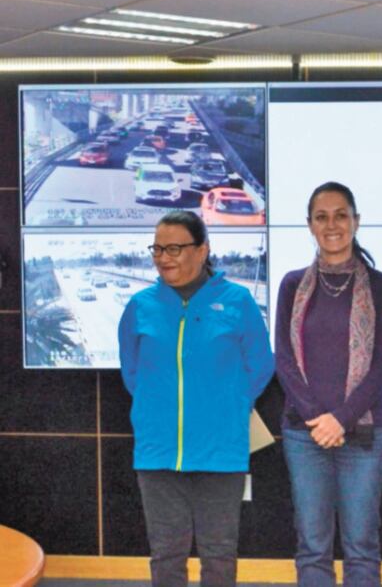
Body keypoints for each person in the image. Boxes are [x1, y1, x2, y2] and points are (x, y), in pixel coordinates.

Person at [118, 210, 274, 587]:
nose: (163, 257)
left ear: (203, 250)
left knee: (219, 557)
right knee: (166, 557)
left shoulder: (236, 301)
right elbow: (132, 373)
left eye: (174, 247)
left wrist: (228, 405)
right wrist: (159, 410)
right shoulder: (140, 306)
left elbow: (261, 365)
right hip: (158, 453)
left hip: (221, 452)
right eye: (157, 248)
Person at [274, 182, 382, 587]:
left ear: (356, 221)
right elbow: (284, 360)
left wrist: (340, 420)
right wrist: (316, 418)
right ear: (309, 225)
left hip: (362, 435)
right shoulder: (292, 284)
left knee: (361, 547)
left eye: (341, 215)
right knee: (312, 548)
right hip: (303, 434)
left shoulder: (381, 286)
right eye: (321, 216)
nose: (332, 225)